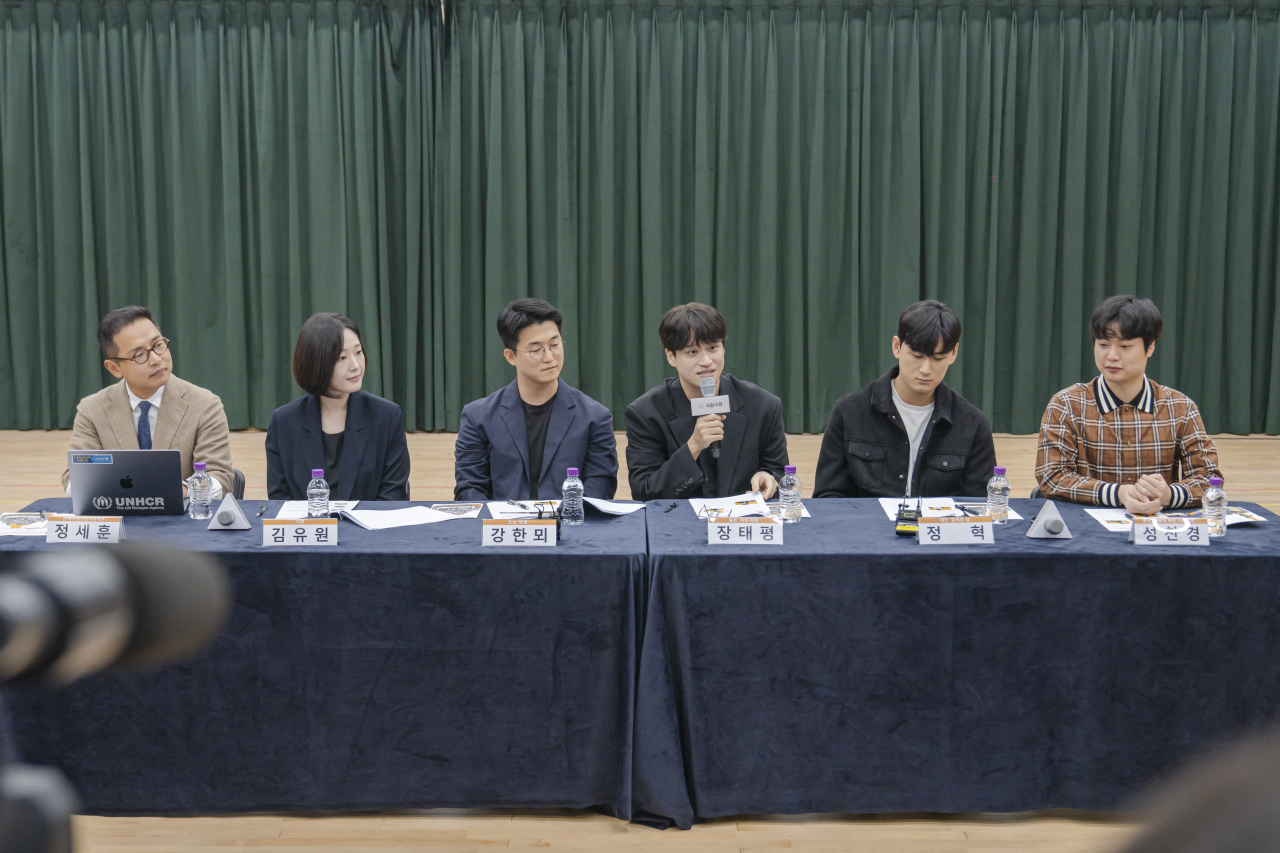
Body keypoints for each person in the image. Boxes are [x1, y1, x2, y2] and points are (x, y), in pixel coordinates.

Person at [1036, 296, 1220, 511]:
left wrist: (1170, 494)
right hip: (1085, 528)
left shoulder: (1180, 407)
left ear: (1150, 348)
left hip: (1155, 528)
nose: (1111, 356)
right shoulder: (1066, 404)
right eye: (1103, 345)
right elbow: (1052, 476)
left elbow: (1209, 478)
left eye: (1125, 346)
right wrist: (1118, 493)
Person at [814, 300, 997, 498]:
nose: (926, 369)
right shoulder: (849, 412)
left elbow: (979, 506)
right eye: (917, 356)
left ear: (953, 354)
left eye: (938, 359)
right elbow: (828, 497)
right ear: (896, 347)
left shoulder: (973, 424)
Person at [454, 298, 618, 501]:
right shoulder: (478, 417)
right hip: (503, 528)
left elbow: (600, 488)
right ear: (511, 356)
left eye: (555, 345)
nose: (549, 357)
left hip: (568, 528)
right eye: (536, 350)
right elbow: (470, 489)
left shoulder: (595, 417)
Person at [62, 306, 234, 498]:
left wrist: (175, 491)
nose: (155, 359)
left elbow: (220, 477)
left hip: (181, 520)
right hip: (120, 518)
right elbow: (75, 479)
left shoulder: (205, 405)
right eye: (139, 355)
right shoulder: (91, 410)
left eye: (158, 345)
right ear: (114, 368)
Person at [625, 303, 788, 501]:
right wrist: (693, 446)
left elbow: (781, 476)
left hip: (741, 524)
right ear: (671, 357)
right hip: (678, 526)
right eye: (692, 352)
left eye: (713, 348)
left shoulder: (763, 406)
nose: (706, 361)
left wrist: (769, 478)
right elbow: (643, 492)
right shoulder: (645, 413)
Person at [265, 313, 410, 501]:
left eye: (358, 352)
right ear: (316, 363)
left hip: (367, 529)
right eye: (342, 357)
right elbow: (280, 500)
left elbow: (392, 497)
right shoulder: (283, 422)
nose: (356, 365)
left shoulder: (386, 417)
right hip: (309, 529)